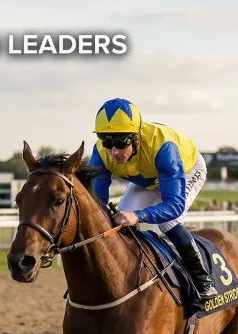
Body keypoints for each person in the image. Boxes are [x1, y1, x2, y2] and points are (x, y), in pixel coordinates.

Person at [86, 97, 219, 304]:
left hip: (186, 169)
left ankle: (203, 280)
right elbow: (97, 202)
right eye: (107, 141)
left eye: (121, 142)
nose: (114, 152)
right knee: (119, 222)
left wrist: (138, 215)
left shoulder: (163, 146)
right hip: (147, 179)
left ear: (136, 136)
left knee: (166, 221)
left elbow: (174, 206)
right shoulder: (100, 153)